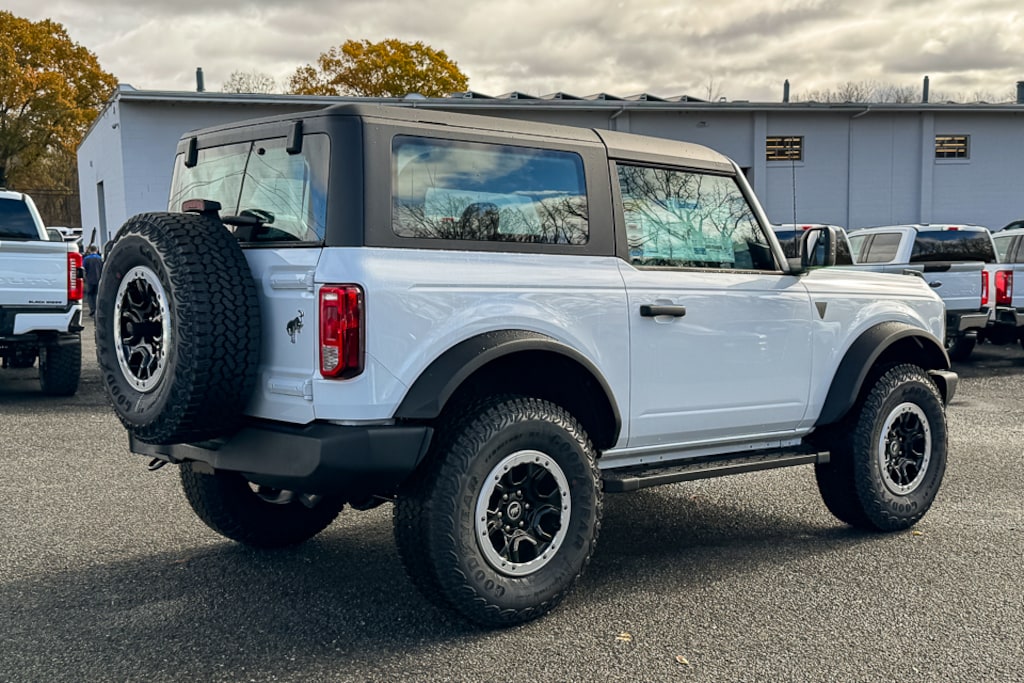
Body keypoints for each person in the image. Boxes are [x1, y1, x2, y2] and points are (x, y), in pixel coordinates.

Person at [82, 245, 103, 317]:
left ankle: (92, 310)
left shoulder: (86, 259)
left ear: (90, 250)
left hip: (90, 279)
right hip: (99, 279)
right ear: (96, 250)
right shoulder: (100, 258)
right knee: (97, 294)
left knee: (90, 295)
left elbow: (83, 268)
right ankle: (98, 309)